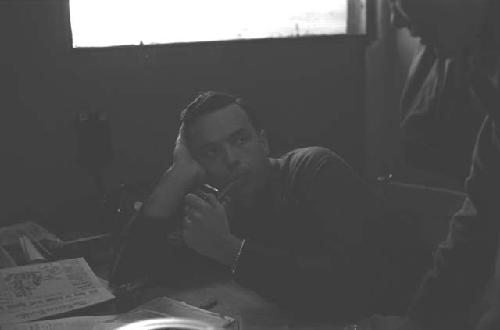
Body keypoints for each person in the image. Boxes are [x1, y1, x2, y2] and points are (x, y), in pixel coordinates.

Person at [109, 91, 394, 320]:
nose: (231, 158)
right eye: (211, 151)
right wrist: (176, 175)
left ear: (264, 141)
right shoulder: (222, 207)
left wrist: (229, 250)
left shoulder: (313, 170)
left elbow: (357, 290)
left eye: (240, 140)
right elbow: (127, 279)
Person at [387, 0, 500, 329]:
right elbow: (481, 215)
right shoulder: (484, 78)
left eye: (400, 2)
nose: (395, 20)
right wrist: (420, 321)